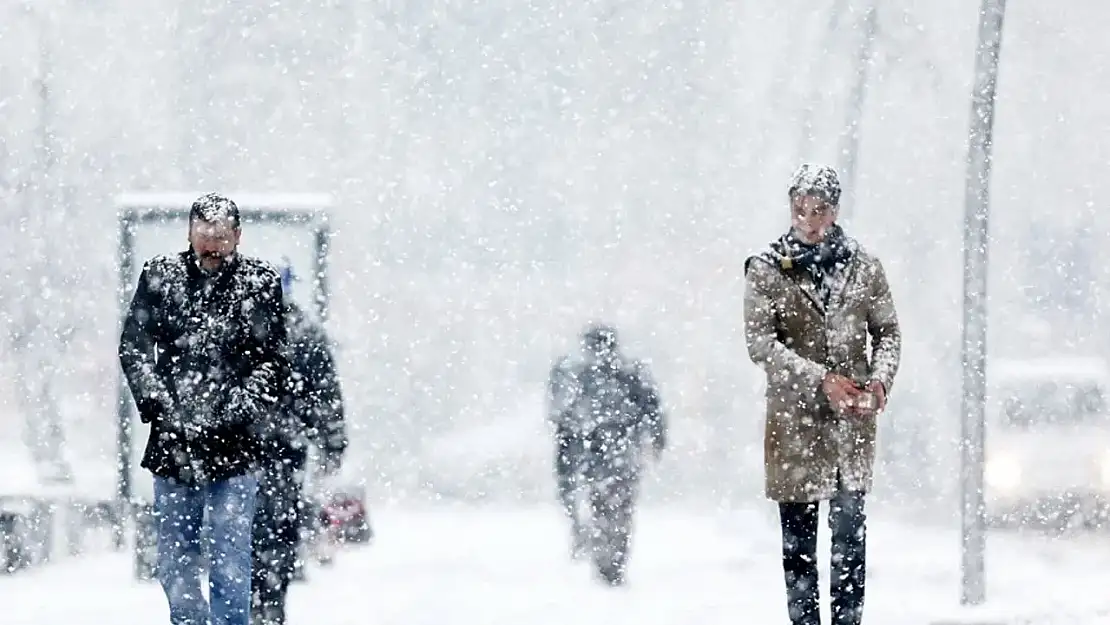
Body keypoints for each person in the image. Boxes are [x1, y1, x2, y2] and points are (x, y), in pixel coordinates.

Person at [119, 193, 288, 625]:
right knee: (175, 560)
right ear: (189, 233)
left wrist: (242, 405)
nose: (211, 244)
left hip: (237, 445)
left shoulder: (260, 281)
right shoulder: (160, 276)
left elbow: (273, 358)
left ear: (237, 236)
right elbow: (134, 348)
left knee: (232, 558)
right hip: (174, 444)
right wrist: (159, 402)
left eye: (220, 235)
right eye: (203, 234)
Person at [743, 163, 901, 625]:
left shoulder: (864, 268)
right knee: (799, 547)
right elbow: (761, 345)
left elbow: (887, 331)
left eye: (819, 211)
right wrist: (819, 379)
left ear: (835, 212)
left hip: (851, 425)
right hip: (793, 426)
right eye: (800, 210)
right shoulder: (768, 269)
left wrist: (879, 380)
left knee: (850, 539)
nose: (808, 221)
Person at [251, 261, 347, 625]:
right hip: (284, 450)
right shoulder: (305, 330)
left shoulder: (240, 328)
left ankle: (254, 601)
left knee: (246, 530)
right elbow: (327, 396)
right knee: (278, 528)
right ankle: (269, 603)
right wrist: (332, 443)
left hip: (245, 451)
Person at [546, 323, 666, 586]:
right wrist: (655, 441)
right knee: (618, 509)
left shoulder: (579, 374)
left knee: (602, 506)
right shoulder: (629, 373)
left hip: (597, 455)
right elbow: (652, 410)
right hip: (621, 454)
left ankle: (605, 557)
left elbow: (563, 417)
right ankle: (612, 559)